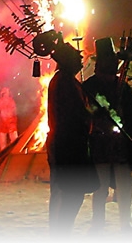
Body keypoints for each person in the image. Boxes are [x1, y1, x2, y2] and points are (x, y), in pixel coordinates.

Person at [84, 38, 132, 233]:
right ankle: (97, 222)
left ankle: (127, 223)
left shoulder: (122, 87)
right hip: (99, 142)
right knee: (99, 186)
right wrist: (99, 115)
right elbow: (85, 112)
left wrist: (122, 116)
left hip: (120, 144)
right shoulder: (89, 87)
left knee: (124, 184)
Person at [44, 36, 97, 235]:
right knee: (69, 194)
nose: (80, 62)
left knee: (69, 193)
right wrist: (91, 114)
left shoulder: (66, 81)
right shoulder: (63, 83)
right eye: (76, 59)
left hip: (69, 143)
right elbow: (72, 113)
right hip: (67, 144)